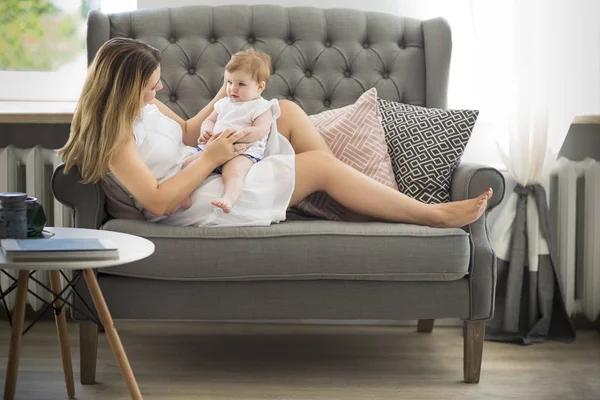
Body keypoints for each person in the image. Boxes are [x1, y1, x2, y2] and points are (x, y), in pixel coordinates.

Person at [59, 37, 492, 229]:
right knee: (319, 165)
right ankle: (432, 214)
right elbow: (155, 198)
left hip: (200, 169)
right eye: (151, 85)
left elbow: (190, 133)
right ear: (123, 88)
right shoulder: (116, 136)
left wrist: (231, 93)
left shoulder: (146, 106)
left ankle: (349, 204)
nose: (158, 90)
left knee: (280, 108)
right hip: (190, 202)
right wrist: (211, 160)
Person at [179, 49, 278, 214]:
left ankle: (229, 198)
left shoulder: (262, 107)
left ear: (259, 87)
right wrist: (206, 131)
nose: (233, 88)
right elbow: (209, 120)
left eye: (241, 84)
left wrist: (239, 136)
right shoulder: (224, 103)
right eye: (229, 82)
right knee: (188, 163)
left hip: (241, 152)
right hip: (213, 147)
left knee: (234, 172)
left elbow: (261, 130)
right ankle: (183, 195)